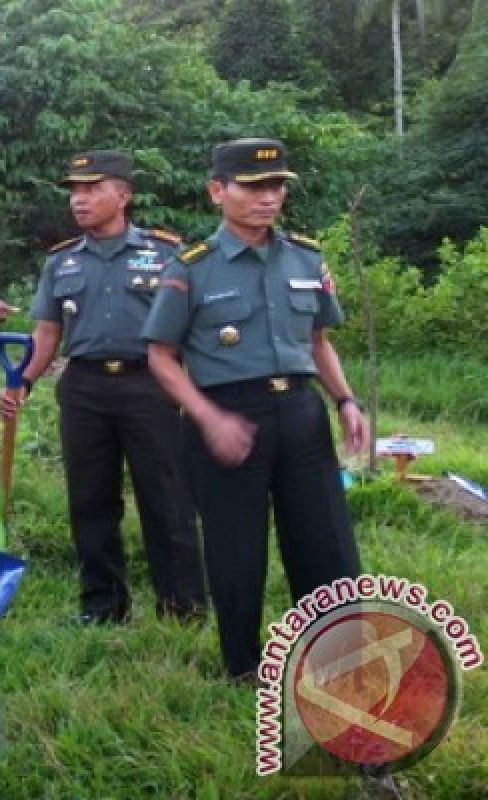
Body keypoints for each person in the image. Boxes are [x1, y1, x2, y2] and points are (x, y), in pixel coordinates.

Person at [141, 137, 364, 681]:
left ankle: (335, 663)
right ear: (218, 191)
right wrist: (206, 416)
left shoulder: (306, 257)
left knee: (326, 545)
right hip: (228, 417)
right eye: (253, 186)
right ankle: (242, 666)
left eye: (277, 187)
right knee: (236, 552)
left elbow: (318, 341)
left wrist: (345, 400)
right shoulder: (191, 267)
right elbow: (161, 357)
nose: (268, 198)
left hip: (302, 419)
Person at [0, 150, 207, 626]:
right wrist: (22, 382)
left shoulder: (167, 253)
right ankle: (103, 606)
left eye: (92, 189)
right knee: (90, 501)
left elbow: (192, 328)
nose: (80, 200)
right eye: (75, 191)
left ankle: (183, 607)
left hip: (151, 386)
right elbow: (47, 334)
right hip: (85, 388)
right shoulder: (62, 261)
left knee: (167, 499)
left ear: (123, 194)